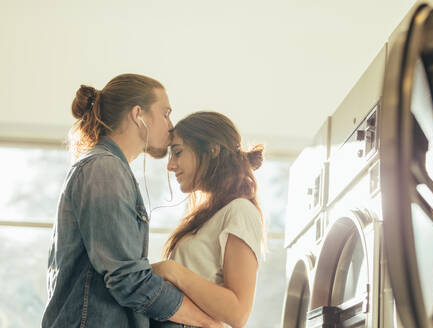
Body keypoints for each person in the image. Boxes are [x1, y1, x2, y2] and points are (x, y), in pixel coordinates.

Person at [42, 74, 222, 328]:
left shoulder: (110, 168)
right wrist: (209, 323)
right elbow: (129, 281)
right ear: (139, 115)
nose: (171, 126)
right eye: (165, 113)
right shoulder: (104, 169)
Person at [151, 111, 266, 328]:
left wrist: (172, 271)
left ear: (212, 150)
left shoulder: (240, 211)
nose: (170, 165)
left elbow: (238, 312)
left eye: (177, 152)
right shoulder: (210, 215)